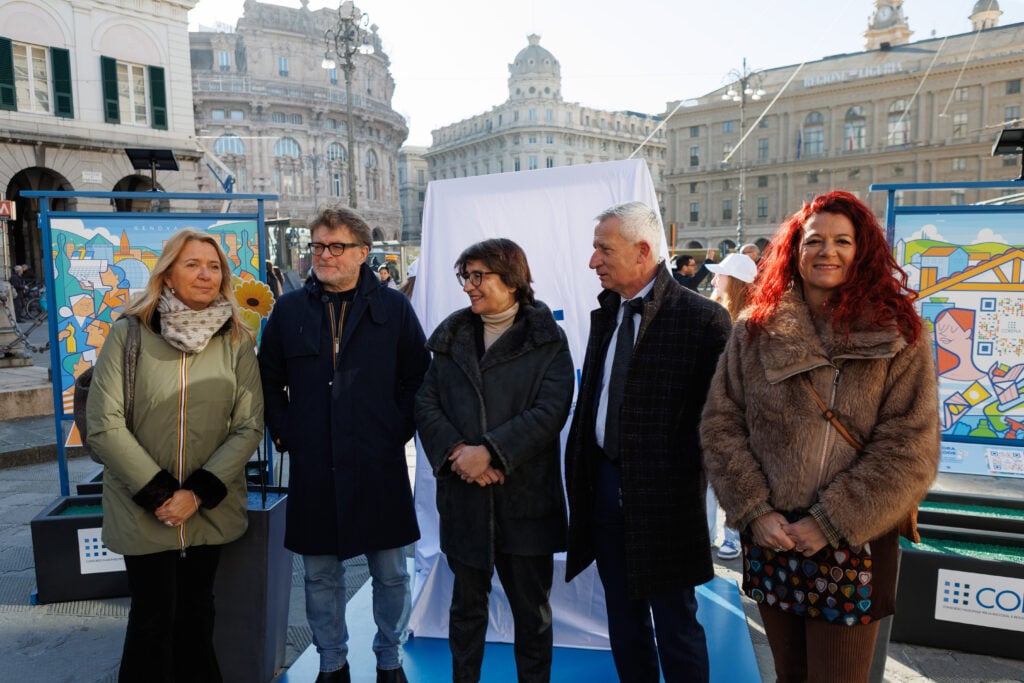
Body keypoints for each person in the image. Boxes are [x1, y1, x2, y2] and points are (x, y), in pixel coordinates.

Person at [700, 191, 940, 682]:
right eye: (814, 241)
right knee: (789, 673)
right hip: (773, 535)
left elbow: (908, 448)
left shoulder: (899, 333)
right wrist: (753, 510)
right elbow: (722, 424)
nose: (827, 252)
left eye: (842, 241)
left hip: (854, 538)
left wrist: (830, 522)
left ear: (862, 251)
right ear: (795, 250)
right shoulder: (755, 331)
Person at [259, 206, 429, 683]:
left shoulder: (393, 308)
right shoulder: (289, 309)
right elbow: (268, 377)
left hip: (378, 462)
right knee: (318, 575)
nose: (324, 255)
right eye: (318, 246)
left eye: (336, 247)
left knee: (392, 572)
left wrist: (397, 427)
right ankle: (332, 661)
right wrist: (284, 428)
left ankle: (389, 658)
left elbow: (419, 376)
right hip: (314, 462)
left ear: (363, 253)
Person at [85, 229, 264, 682]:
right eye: (192, 264)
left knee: (197, 617)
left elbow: (248, 426)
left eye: (214, 265)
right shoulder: (129, 333)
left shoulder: (236, 340)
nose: (205, 274)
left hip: (207, 509)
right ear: (167, 275)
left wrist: (197, 493)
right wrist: (162, 493)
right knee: (150, 622)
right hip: (141, 507)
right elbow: (104, 424)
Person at [565, 201, 732, 683]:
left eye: (603, 249)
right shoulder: (607, 311)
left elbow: (718, 423)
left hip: (665, 505)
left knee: (675, 624)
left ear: (642, 251)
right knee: (622, 618)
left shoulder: (703, 322)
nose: (593, 261)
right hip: (602, 492)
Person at [416, 238, 574, 683]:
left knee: (533, 613)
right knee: (466, 611)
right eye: (465, 276)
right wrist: (457, 453)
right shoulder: (452, 334)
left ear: (513, 279)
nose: (468, 286)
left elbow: (551, 409)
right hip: (465, 498)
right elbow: (426, 403)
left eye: (478, 275)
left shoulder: (546, 338)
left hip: (525, 500)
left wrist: (490, 451)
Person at [703, 252, 758, 561]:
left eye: (720, 275)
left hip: (740, 412)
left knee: (734, 473)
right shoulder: (718, 312)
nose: (713, 280)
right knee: (710, 472)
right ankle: (709, 533)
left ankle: (733, 536)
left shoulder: (750, 321)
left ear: (734, 281)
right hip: (715, 406)